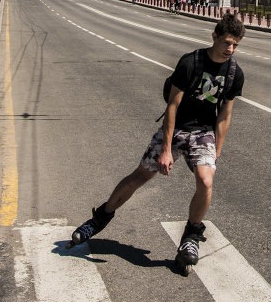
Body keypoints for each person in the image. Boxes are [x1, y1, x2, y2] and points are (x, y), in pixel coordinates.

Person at [69, 14, 245, 273]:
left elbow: (224, 116)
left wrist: (215, 153)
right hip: (175, 129)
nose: (230, 49)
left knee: (206, 181)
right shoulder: (191, 62)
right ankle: (99, 219)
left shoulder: (234, 73)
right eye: (227, 43)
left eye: (236, 45)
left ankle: (190, 238)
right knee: (139, 176)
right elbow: (172, 105)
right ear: (214, 37)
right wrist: (165, 150)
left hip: (203, 133)